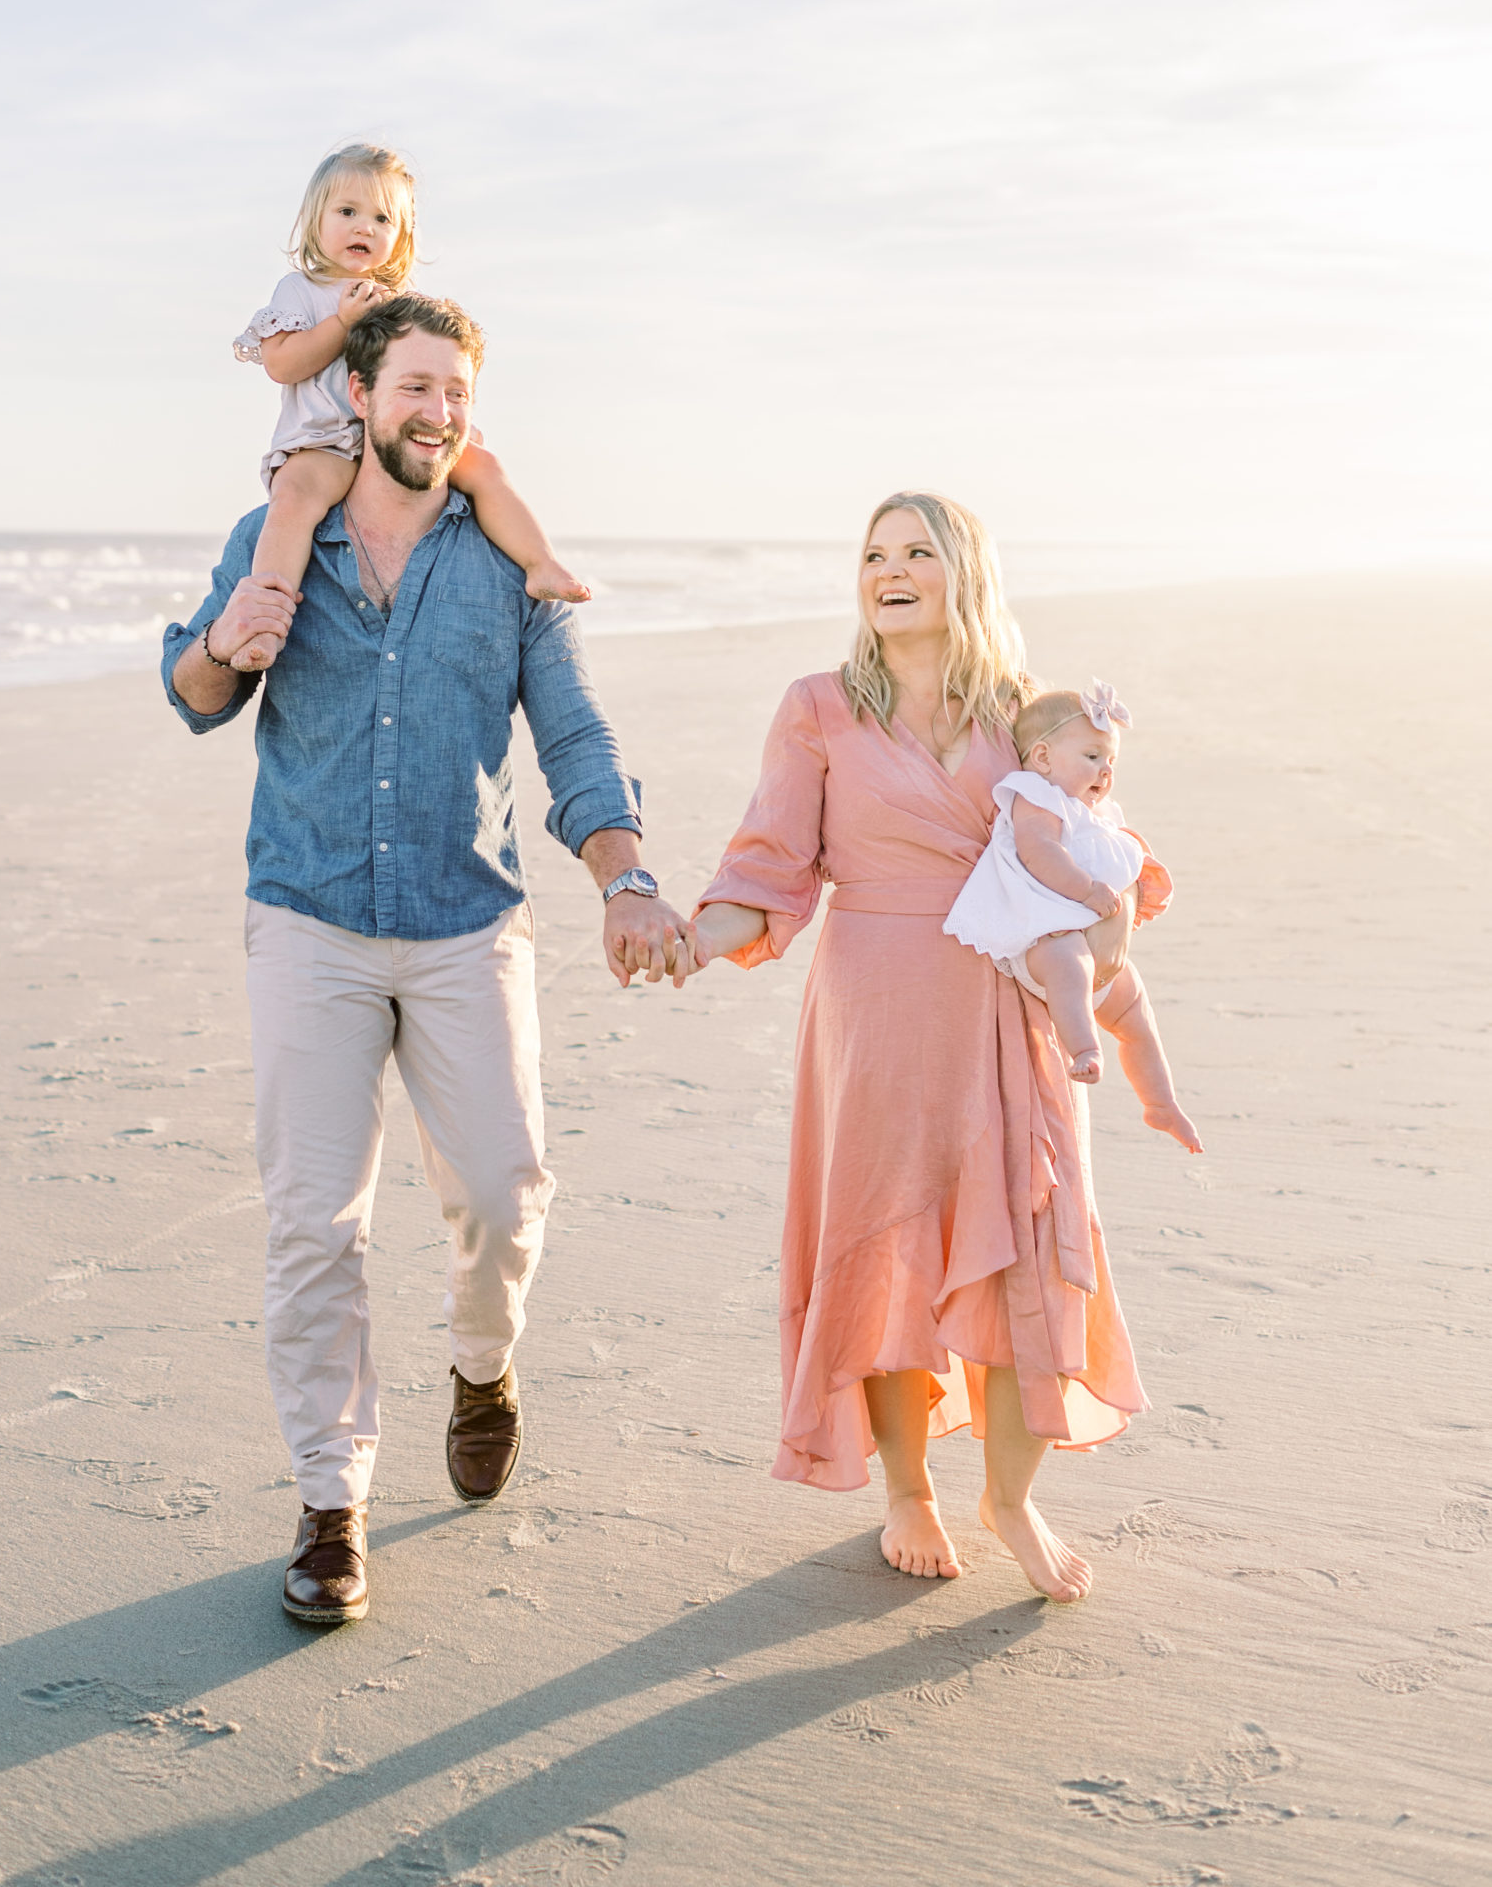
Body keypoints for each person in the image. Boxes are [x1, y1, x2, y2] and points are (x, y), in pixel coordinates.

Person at [164, 291, 692, 1626]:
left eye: (456, 393)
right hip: (308, 925)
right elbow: (194, 685)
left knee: (507, 1195)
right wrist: (224, 648)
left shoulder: (499, 564)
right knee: (310, 1221)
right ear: (356, 394)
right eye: (414, 388)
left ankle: (480, 1363)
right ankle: (331, 1502)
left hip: (468, 928)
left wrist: (623, 877)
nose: (437, 413)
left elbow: (572, 737)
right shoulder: (279, 534)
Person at [689, 491, 1154, 1604]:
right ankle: (908, 1487)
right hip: (880, 1004)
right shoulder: (819, 707)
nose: (889, 570)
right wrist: (689, 938)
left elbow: (1095, 824)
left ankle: (1010, 1496)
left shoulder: (1018, 713)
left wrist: (1110, 919)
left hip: (1011, 1005)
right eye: (873, 554)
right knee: (888, 1244)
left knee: (1031, 1248)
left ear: (964, 573)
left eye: (917, 553)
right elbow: (769, 864)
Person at [228, 141, 588, 670]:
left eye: (381, 218)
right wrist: (342, 324)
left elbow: (422, 371)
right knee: (294, 502)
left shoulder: (397, 300)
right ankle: (265, 618)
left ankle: (540, 563)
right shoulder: (301, 291)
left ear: (401, 237)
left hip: (390, 442)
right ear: (314, 220)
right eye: (347, 212)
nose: (364, 228)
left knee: (483, 467)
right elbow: (283, 363)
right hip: (324, 440)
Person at [944, 682, 1202, 1149]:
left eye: (1111, 762)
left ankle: (1161, 1102)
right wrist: (1086, 890)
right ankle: (1083, 1047)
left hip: (1102, 958)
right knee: (1070, 963)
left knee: (1137, 1017)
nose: (1105, 771)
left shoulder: (1095, 812)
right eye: (1092, 757)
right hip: (1047, 942)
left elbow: (1121, 857)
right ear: (1042, 758)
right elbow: (1038, 851)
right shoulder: (1035, 795)